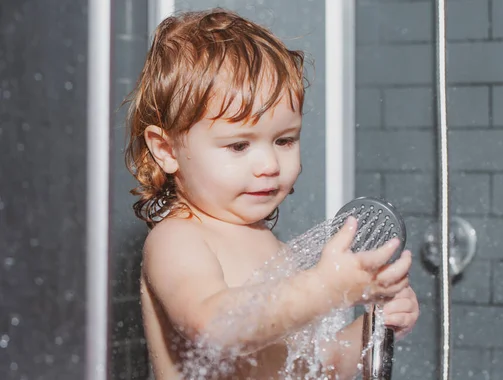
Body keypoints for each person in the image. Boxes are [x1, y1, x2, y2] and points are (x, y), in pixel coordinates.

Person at [124, 8, 419, 380]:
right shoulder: (178, 239)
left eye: (283, 140)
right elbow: (215, 326)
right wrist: (325, 287)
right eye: (238, 146)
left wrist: (373, 330)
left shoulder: (274, 250)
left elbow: (321, 365)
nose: (269, 164)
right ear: (166, 151)